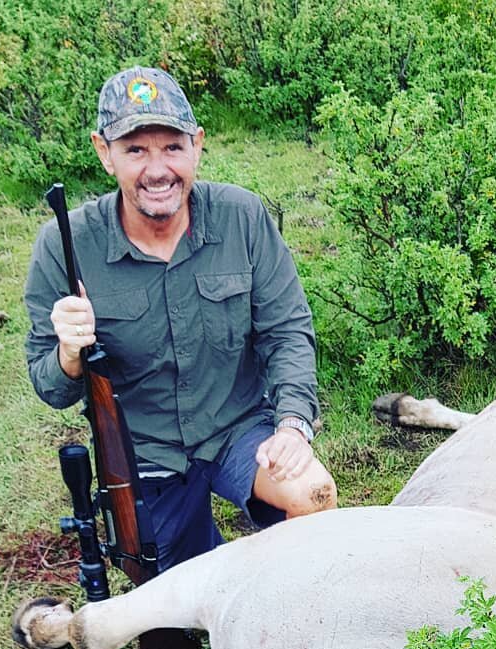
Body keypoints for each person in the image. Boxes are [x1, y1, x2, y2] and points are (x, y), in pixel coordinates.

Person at [24, 66, 336, 572]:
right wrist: (67, 353)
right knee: (168, 624)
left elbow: (287, 332)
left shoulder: (243, 216)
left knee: (313, 492)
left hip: (237, 427)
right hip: (143, 451)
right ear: (104, 152)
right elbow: (51, 388)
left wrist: (293, 425)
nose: (157, 169)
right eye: (135, 150)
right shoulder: (65, 244)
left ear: (197, 145)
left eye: (171, 147)